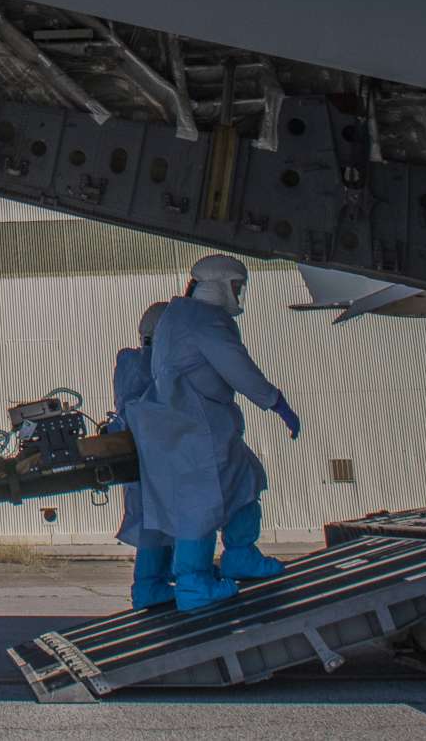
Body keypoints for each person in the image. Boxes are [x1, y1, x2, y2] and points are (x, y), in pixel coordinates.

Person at [131, 255, 301, 612]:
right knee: (201, 506)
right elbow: (237, 366)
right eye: (236, 287)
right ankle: (194, 583)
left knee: (246, 480)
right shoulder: (205, 319)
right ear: (218, 285)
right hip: (199, 430)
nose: (238, 294)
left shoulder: (177, 316)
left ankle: (238, 556)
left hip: (193, 429)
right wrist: (276, 402)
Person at [105, 302, 173, 609]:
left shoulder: (138, 363)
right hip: (152, 460)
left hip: (157, 459)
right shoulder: (143, 365)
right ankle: (149, 585)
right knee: (155, 525)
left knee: (166, 523)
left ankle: (161, 578)